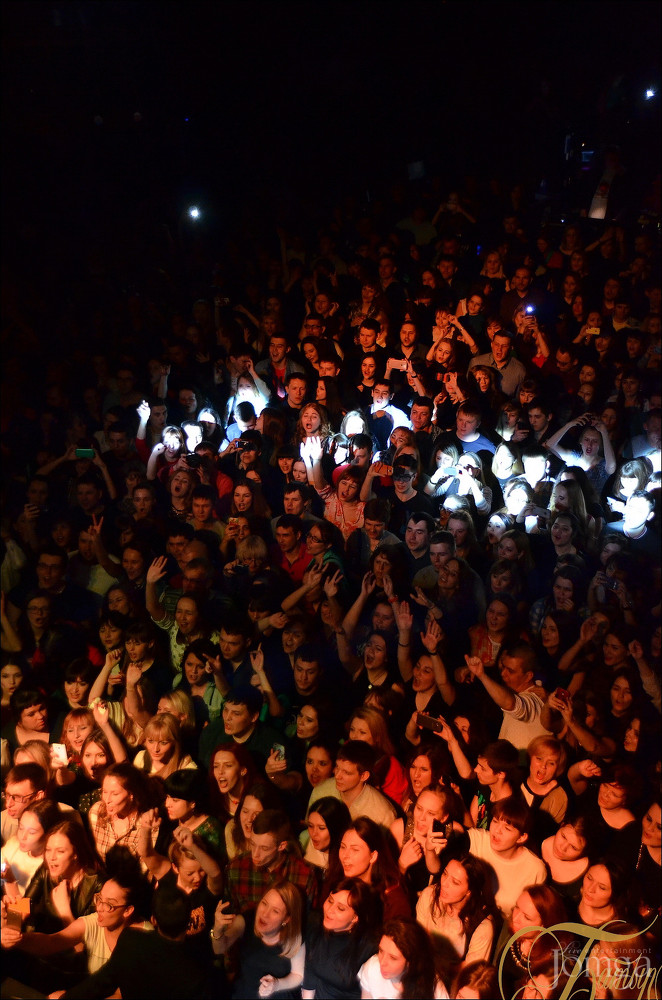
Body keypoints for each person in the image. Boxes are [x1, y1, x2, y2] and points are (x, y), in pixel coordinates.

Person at [210, 880, 305, 998]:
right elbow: (219, 949)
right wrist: (217, 929)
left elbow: (298, 975)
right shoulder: (247, 920)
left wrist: (277, 984)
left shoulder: (294, 935)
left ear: (286, 919)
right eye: (264, 903)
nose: (265, 914)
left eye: (275, 911)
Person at [301, 877, 379, 999]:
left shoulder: (369, 947)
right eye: (330, 901)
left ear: (355, 917)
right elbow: (309, 978)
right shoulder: (315, 925)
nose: (330, 910)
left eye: (340, 908)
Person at [358, 918, 447, 999]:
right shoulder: (372, 967)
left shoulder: (432, 985)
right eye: (381, 951)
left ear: (411, 961)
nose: (382, 962)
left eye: (393, 958)